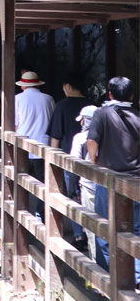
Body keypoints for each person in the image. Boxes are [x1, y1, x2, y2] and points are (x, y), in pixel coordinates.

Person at [87, 76, 140, 288]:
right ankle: (137, 277)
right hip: (136, 181)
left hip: (108, 179)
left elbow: (92, 141)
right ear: (132, 95)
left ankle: (107, 274)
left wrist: (94, 160)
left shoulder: (101, 113)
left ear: (109, 94)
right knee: (136, 230)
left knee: (104, 226)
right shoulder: (138, 116)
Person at [47, 72, 89, 249]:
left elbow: (55, 136)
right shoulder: (92, 105)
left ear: (69, 86)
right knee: (89, 196)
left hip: (68, 158)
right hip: (92, 159)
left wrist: (52, 159)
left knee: (72, 196)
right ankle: (92, 233)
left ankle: (79, 236)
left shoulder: (62, 106)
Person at [15, 71, 55, 219]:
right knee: (43, 182)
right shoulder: (49, 99)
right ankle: (40, 212)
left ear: (23, 86)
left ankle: (21, 211)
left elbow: (15, 124)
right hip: (42, 144)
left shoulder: (17, 99)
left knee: (20, 179)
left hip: (22, 145)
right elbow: (52, 121)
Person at [70, 105, 98, 259]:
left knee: (92, 226)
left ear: (86, 121)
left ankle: (96, 263)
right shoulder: (109, 136)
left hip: (88, 186)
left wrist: (72, 189)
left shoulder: (80, 138)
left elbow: (74, 165)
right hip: (107, 187)